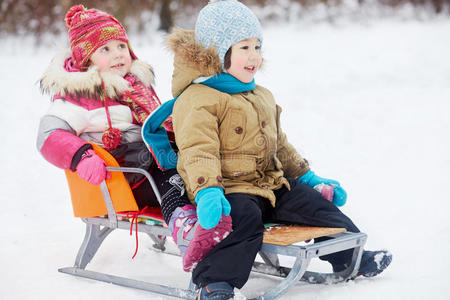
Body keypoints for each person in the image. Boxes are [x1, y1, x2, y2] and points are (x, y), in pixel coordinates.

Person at [167, 0, 393, 298]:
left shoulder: (260, 94)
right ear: (218, 54)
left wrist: (308, 177)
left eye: (257, 47)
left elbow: (279, 145)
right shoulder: (198, 99)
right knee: (240, 220)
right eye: (243, 48)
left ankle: (351, 256)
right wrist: (208, 190)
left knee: (314, 204)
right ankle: (215, 282)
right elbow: (199, 150)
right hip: (228, 189)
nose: (254, 56)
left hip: (270, 184)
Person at [36, 4, 231, 272]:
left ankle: (230, 210)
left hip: (149, 161)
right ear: (86, 59)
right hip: (123, 178)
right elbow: (49, 135)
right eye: (104, 49)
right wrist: (82, 155)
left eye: (121, 46)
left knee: (202, 164)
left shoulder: (135, 87)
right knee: (173, 178)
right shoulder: (79, 96)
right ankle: (187, 227)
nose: (117, 54)